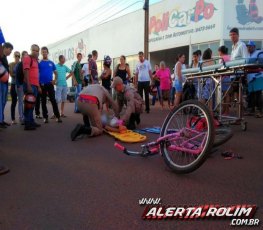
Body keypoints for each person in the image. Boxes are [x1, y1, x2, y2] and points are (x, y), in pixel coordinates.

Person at [38, 47, 62, 123]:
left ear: (47, 53)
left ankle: (58, 116)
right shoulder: (39, 63)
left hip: (50, 84)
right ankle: (45, 117)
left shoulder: (51, 63)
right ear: (41, 53)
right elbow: (37, 73)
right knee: (43, 101)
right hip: (42, 85)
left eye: (45, 52)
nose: (44, 53)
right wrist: (38, 85)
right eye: (43, 52)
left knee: (53, 101)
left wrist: (55, 80)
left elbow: (56, 73)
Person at [23, 44, 41, 130]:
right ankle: (27, 123)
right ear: (31, 50)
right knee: (28, 105)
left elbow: (37, 74)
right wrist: (28, 85)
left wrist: (38, 86)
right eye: (34, 50)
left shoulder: (36, 61)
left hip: (35, 85)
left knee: (32, 105)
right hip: (30, 85)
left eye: (37, 50)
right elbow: (26, 72)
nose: (36, 52)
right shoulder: (27, 58)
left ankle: (31, 121)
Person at [246, 40, 263, 118]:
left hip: (257, 76)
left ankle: (260, 111)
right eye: (248, 46)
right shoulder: (248, 55)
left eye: (250, 46)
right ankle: (251, 110)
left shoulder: (259, 53)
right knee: (251, 94)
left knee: (258, 94)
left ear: (254, 47)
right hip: (250, 76)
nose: (249, 48)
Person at [0, 42, 13, 128]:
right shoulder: (1, 57)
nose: (10, 52)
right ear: (5, 48)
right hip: (1, 83)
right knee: (1, 102)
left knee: (4, 102)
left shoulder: (5, 58)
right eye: (10, 50)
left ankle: (2, 119)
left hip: (5, 83)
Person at [15, 51, 28, 125]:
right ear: (22, 57)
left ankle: (25, 117)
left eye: (27, 56)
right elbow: (18, 76)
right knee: (20, 102)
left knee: (26, 101)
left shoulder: (25, 64)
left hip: (25, 85)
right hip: (20, 85)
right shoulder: (19, 65)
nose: (27, 58)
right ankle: (21, 118)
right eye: (25, 56)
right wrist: (19, 85)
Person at [218, 46, 231, 115]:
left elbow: (220, 68)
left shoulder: (222, 58)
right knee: (226, 95)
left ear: (221, 51)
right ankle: (225, 110)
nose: (218, 53)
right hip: (228, 77)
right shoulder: (228, 57)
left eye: (219, 51)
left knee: (225, 95)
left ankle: (226, 111)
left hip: (223, 78)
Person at [9, 51, 20, 124]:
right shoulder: (11, 64)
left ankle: (22, 117)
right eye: (16, 56)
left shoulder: (21, 64)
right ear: (13, 56)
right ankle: (13, 119)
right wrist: (19, 75)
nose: (17, 57)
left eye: (18, 56)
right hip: (13, 85)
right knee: (14, 102)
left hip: (21, 85)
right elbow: (11, 74)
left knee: (22, 102)